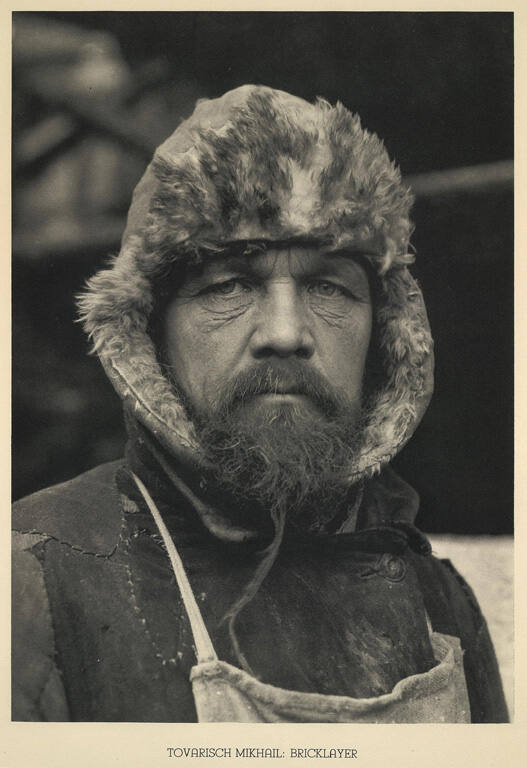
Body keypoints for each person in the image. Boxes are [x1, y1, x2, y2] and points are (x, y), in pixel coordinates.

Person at [12, 84, 508, 723]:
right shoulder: (35, 574)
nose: (284, 333)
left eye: (328, 286)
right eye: (229, 285)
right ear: (148, 334)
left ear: (386, 336)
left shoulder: (438, 598)